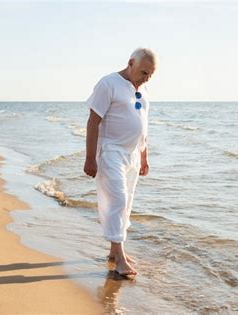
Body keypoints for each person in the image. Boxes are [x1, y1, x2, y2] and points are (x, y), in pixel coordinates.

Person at [84, 47, 157, 277]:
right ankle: (120, 258)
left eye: (151, 75)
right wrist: (89, 158)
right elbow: (92, 122)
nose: (146, 78)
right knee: (117, 199)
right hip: (110, 150)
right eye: (144, 72)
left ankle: (114, 251)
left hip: (132, 154)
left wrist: (144, 157)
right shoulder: (108, 84)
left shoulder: (143, 93)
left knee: (127, 202)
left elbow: (143, 127)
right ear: (131, 63)